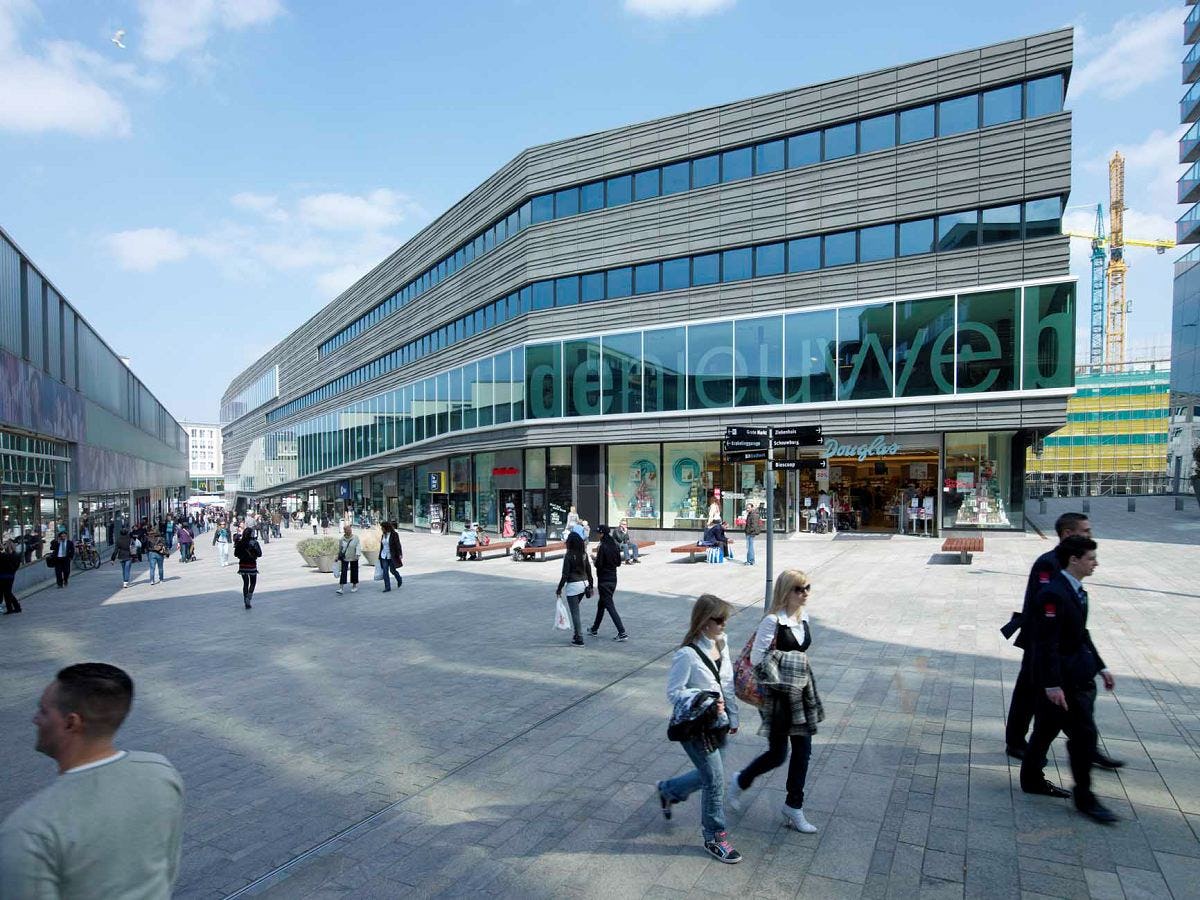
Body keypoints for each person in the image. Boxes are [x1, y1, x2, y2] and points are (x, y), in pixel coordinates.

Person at [0, 663, 184, 898]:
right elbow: (168, 868)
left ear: (71, 723)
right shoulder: (160, 772)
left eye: (43, 711)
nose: (35, 719)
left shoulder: (30, 831)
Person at [1003, 512, 1121, 769]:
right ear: (1068, 533)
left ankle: (1084, 743)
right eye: (1085, 531)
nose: (1090, 535)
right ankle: (1018, 742)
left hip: (1058, 646)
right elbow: (1043, 605)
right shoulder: (1050, 563)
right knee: (1030, 693)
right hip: (1042, 641)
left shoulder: (1069, 563)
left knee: (1050, 698)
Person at [1019, 536, 1118, 824]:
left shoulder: (1076, 590)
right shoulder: (1054, 594)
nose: (1095, 563)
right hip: (1063, 682)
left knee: (1045, 731)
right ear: (1074, 560)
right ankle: (1084, 796)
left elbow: (1080, 633)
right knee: (1083, 736)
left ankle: (1031, 778)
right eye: (1090, 558)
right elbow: (1046, 644)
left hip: (1073, 677)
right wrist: (1051, 685)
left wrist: (1101, 667)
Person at [728, 568, 824, 834]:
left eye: (807, 588)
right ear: (785, 591)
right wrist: (789, 665)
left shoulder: (803, 617)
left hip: (800, 691)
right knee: (778, 753)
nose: (805, 593)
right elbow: (756, 659)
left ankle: (794, 806)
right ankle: (741, 780)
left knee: (803, 750)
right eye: (798, 589)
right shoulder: (772, 621)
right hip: (777, 693)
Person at [656, 593, 742, 864]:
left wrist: (733, 716)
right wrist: (702, 699)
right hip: (697, 727)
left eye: (725, 619)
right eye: (719, 620)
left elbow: (726, 683)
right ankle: (714, 838)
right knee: (715, 780)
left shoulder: (722, 643)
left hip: (719, 723)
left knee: (710, 775)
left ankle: (669, 790)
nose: (723, 624)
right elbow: (673, 692)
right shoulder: (687, 655)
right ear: (704, 622)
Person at [588, 525, 628, 642]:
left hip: (604, 581)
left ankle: (622, 632)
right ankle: (594, 629)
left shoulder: (602, 546)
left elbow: (599, 565)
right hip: (613, 579)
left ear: (602, 534)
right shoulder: (614, 545)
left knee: (609, 606)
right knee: (601, 605)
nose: (597, 535)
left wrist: (594, 559)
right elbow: (619, 563)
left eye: (598, 533)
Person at [555, 531, 594, 647]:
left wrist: (559, 589)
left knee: (575, 613)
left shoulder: (568, 555)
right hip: (584, 584)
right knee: (576, 610)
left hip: (573, 586)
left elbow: (565, 575)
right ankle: (576, 635)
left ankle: (579, 637)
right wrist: (591, 585)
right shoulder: (584, 554)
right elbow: (589, 570)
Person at [234, 528, 262, 609]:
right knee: (253, 582)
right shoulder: (254, 542)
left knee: (245, 583)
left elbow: (235, 554)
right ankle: (248, 598)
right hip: (251, 564)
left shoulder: (240, 542)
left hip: (242, 565)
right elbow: (259, 554)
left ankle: (245, 601)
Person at [337, 524, 360, 594]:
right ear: (345, 531)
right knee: (343, 572)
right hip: (345, 557)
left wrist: (358, 554)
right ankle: (341, 588)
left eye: (350, 530)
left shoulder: (356, 537)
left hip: (354, 557)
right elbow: (340, 549)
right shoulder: (342, 539)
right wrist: (337, 556)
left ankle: (354, 586)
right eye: (348, 530)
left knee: (354, 571)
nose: (350, 531)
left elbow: (358, 546)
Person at [379, 522, 403, 591]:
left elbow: (398, 544)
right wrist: (379, 555)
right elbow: (382, 546)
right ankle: (387, 587)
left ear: (386, 528)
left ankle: (399, 578)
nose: (381, 529)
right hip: (384, 556)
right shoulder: (383, 535)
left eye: (382, 527)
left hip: (392, 556)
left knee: (392, 570)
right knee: (385, 572)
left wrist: (400, 554)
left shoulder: (394, 535)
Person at [1, 539, 22, 614]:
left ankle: (15, 607)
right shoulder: (8, 555)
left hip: (8, 576)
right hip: (5, 575)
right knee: (6, 592)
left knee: (7, 592)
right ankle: (12, 608)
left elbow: (14, 566)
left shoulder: (14, 555)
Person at [742, 501, 762, 567]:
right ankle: (751, 560)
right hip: (749, 532)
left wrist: (749, 532)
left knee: (750, 547)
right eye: (746, 508)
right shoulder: (751, 513)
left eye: (748, 508)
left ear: (752, 508)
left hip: (750, 533)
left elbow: (754, 525)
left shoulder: (754, 514)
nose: (747, 509)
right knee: (750, 547)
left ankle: (750, 561)